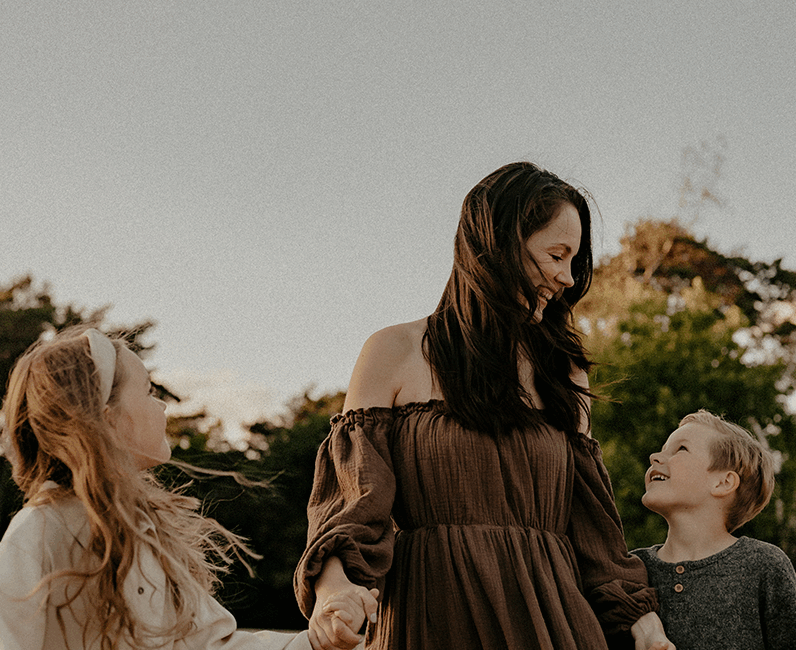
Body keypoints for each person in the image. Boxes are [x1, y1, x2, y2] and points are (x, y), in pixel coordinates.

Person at [293, 162, 674, 650]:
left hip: (554, 625)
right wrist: (334, 592)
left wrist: (644, 624)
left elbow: (594, 533)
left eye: (574, 261)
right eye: (556, 255)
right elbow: (352, 502)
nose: (566, 277)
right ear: (496, 243)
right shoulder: (393, 351)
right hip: (431, 620)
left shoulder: (564, 373)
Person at [0, 327, 369, 649]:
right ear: (107, 420)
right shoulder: (37, 533)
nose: (161, 406)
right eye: (148, 392)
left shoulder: (146, 533)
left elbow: (211, 645)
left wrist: (314, 642)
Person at [631, 409, 796, 649]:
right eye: (663, 449)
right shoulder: (632, 568)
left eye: (680, 449)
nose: (654, 457)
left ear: (723, 482)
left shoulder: (764, 565)